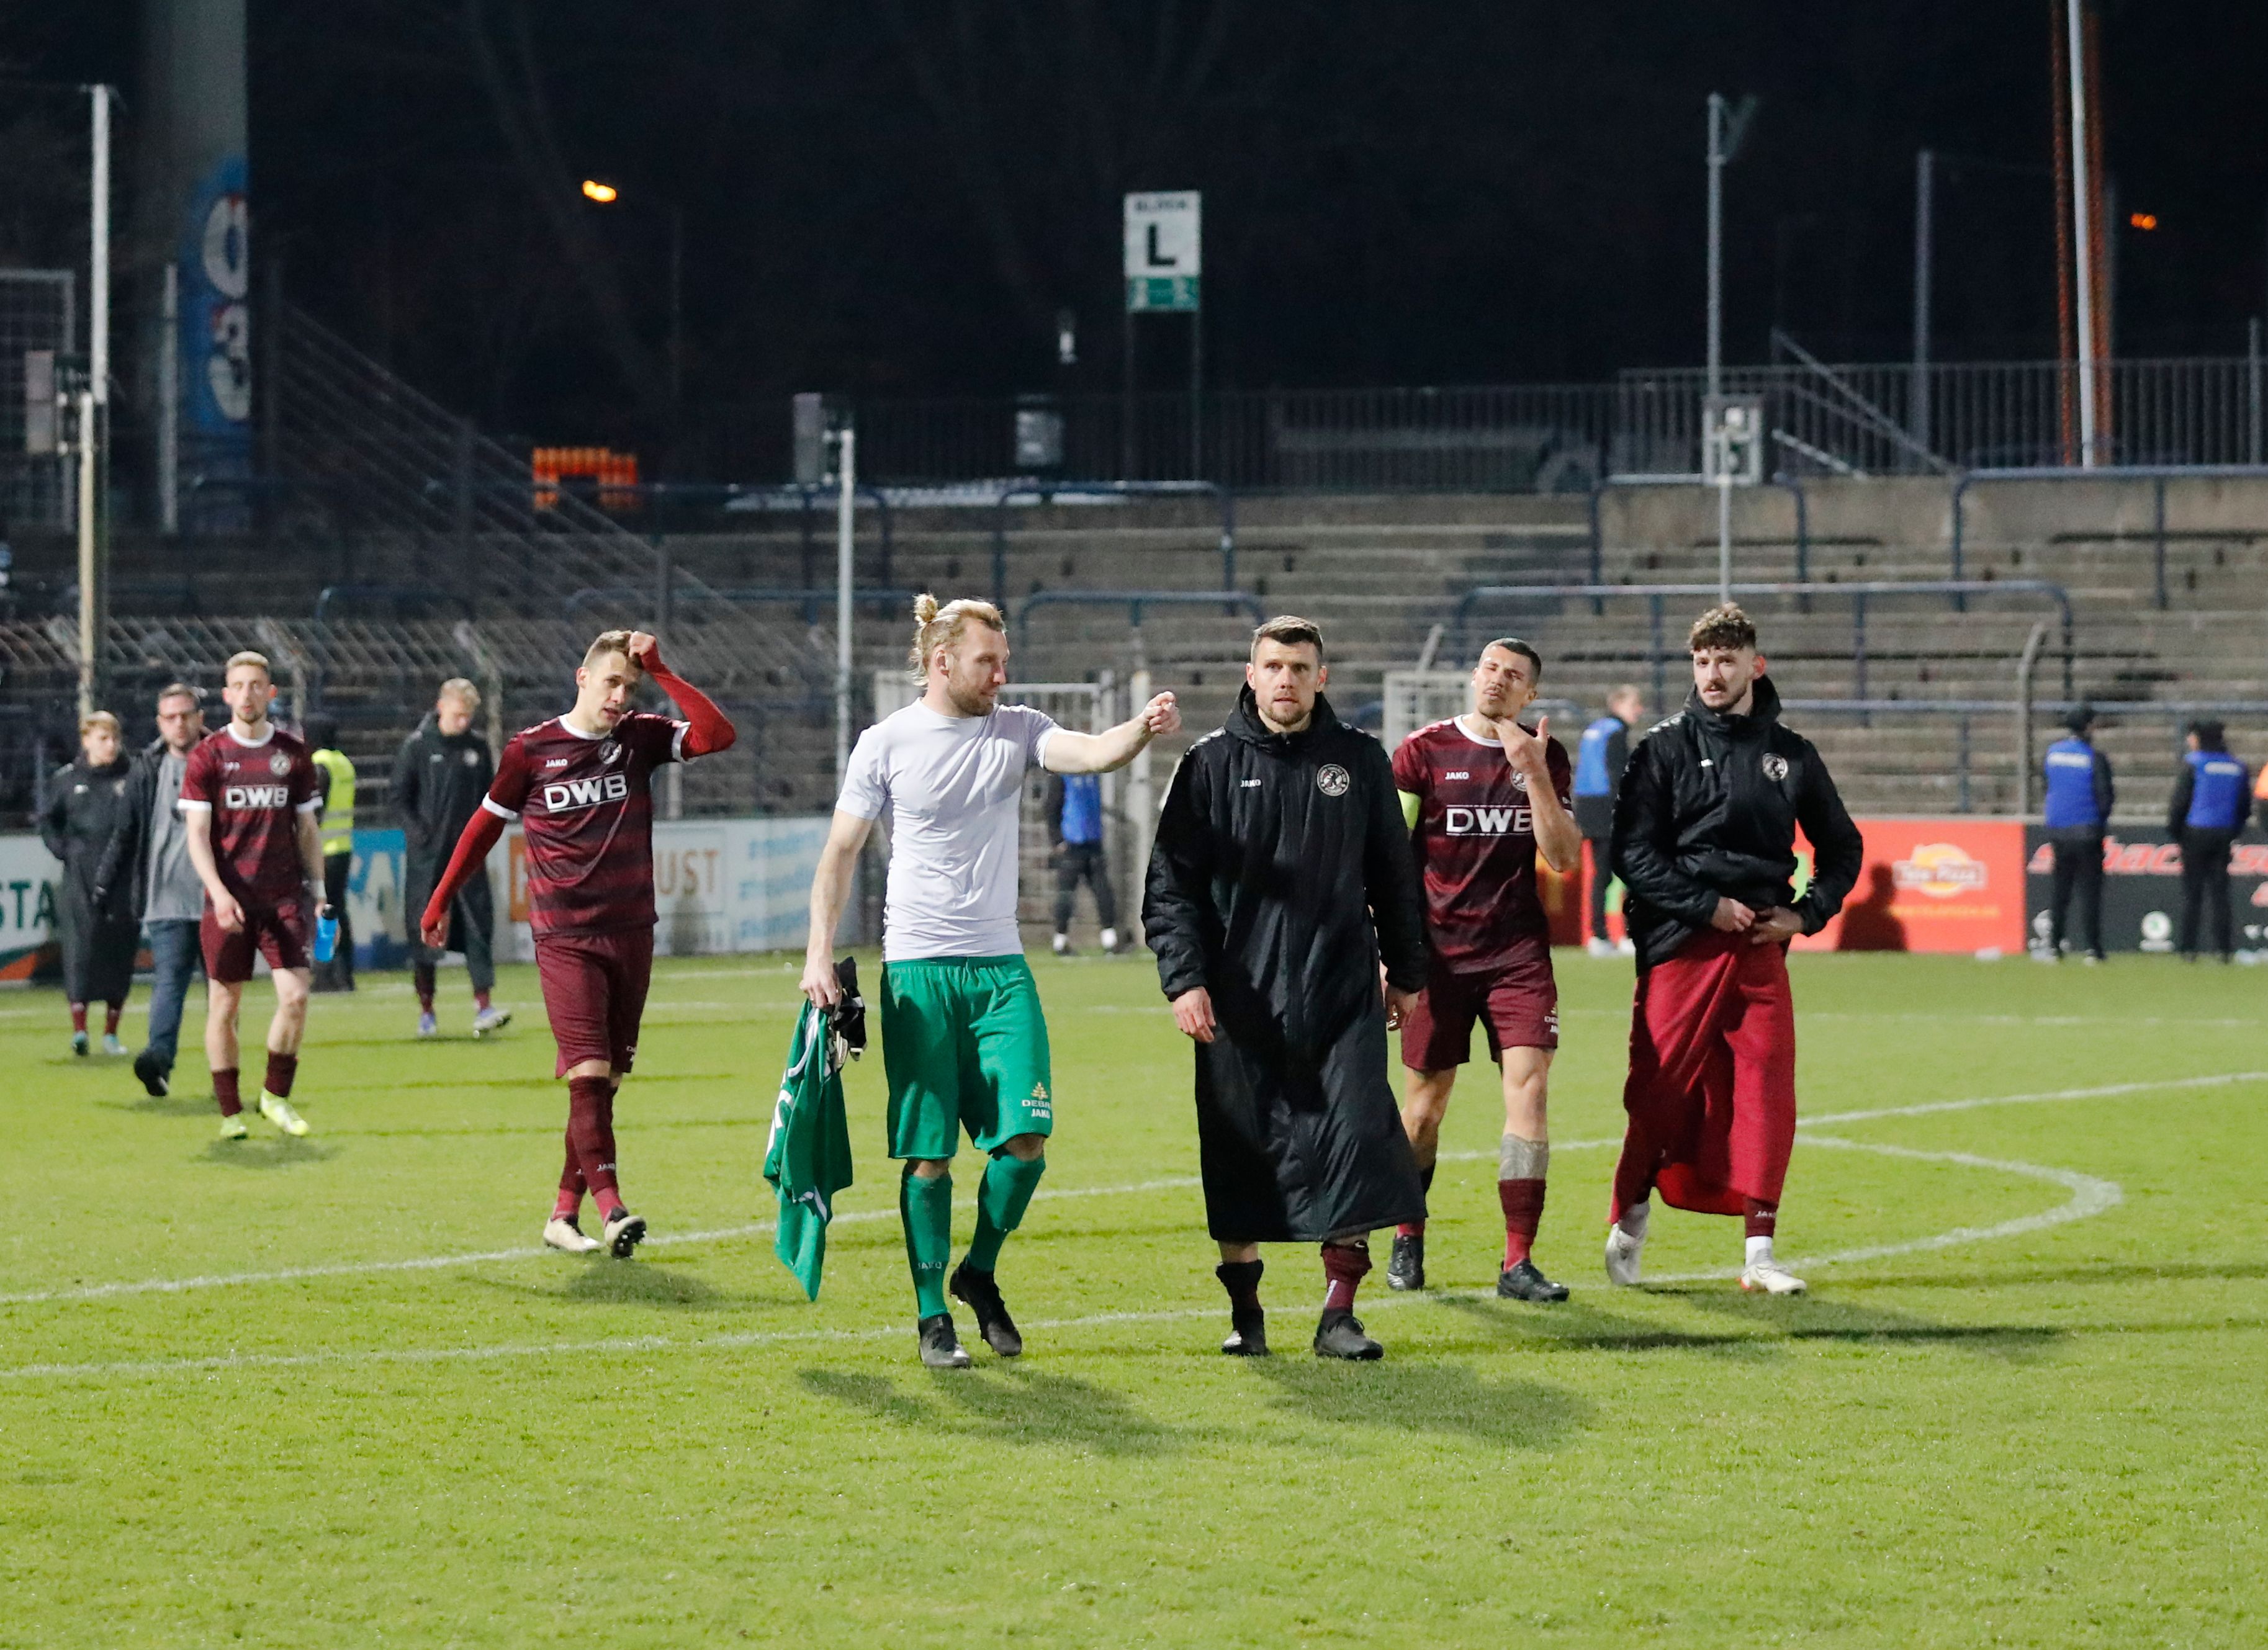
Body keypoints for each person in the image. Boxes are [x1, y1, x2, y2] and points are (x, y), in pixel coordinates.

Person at [802, 595, 1178, 1369]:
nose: (1001, 675)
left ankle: (980, 1271)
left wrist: (1139, 730)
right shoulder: (886, 742)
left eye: (1004, 661)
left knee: (1027, 1143)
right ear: (942, 661)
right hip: (917, 970)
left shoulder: (1021, 727)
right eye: (988, 662)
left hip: (1001, 969)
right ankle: (932, 1312)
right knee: (931, 1155)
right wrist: (818, 954)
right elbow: (840, 854)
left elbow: (1094, 752)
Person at [1145, 615, 1430, 1361]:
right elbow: (1171, 888)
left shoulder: (1360, 763)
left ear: (1321, 678)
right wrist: (1185, 981)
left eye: (1300, 668)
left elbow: (1394, 879)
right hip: (1241, 1001)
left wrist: (1405, 974)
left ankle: (1340, 1314)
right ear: (1251, 672)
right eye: (1273, 666)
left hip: (1341, 994)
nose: (1286, 680)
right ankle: (1248, 1315)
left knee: (1358, 1140)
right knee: (1241, 1151)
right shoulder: (1208, 765)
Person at [420, 630, 734, 1257]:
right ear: (581, 678)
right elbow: (483, 827)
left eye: (630, 685)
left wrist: (664, 671)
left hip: (632, 932)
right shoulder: (531, 750)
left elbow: (716, 735)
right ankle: (612, 1207)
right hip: (565, 936)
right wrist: (440, 897)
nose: (621, 695)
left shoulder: (640, 736)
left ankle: (563, 1214)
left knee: (606, 1082)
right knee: (588, 1073)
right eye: (612, 681)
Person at [1605, 604, 1863, 1296]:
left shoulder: (1793, 755)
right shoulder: (1662, 748)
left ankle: (1760, 1252)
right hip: (1679, 943)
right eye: (1701, 662)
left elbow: (1843, 847)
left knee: (1767, 1090)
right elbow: (1632, 852)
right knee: (1659, 1091)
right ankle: (1630, 1214)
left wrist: (1804, 915)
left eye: (1725, 660)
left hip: (1756, 948)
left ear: (1756, 664)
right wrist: (1703, 905)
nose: (1712, 674)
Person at [1387, 639, 1582, 1303]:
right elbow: (1387, 861)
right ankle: (1408, 1233)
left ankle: (1517, 1262)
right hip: (1438, 955)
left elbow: (1564, 858)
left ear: (1531, 695)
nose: (1499, 681)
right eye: (1491, 669)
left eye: (1515, 676)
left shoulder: (1546, 755)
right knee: (1422, 1110)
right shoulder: (1423, 752)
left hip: (1516, 955)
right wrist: (1391, 953)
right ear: (1475, 676)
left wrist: (1532, 774)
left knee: (1529, 1094)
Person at [179, 652, 330, 1141]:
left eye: (256, 684)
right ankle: (230, 1112)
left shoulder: (292, 752)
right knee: (224, 1005)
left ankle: (275, 1096)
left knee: (296, 998)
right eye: (238, 685)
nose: (247, 693)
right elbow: (197, 836)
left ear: (271, 692)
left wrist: (320, 889)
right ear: (226, 695)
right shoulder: (209, 756)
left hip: (284, 897)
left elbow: (307, 827)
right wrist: (218, 893)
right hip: (230, 900)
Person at [95, 683, 210, 1098]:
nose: (179, 723)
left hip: (220, 901)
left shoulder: (223, 759)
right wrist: (105, 882)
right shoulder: (148, 767)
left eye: (185, 715)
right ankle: (158, 1061)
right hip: (165, 898)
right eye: (170, 717)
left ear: (199, 717)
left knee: (224, 992)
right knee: (169, 982)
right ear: (160, 722)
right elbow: (126, 832)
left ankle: (225, 1072)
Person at [395, 678, 508, 1038]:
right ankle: (427, 1011)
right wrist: (421, 837)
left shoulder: (477, 748)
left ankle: (484, 1007)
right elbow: (400, 799)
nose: (464, 723)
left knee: (478, 927)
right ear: (441, 706)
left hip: (469, 859)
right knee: (424, 931)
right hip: (428, 861)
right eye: (459, 715)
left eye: (469, 717)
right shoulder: (416, 747)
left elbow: (492, 799)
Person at [42, 712, 140, 1057]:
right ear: (86, 741)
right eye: (103, 739)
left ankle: (111, 1034)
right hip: (81, 878)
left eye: (114, 738)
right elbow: (48, 822)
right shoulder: (67, 780)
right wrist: (65, 851)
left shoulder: (132, 777)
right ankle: (80, 1030)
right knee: (80, 950)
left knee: (120, 951)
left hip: (124, 878)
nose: (111, 745)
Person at [2167, 719, 2249, 963]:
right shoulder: (2237, 767)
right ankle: (2224, 950)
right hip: (2223, 834)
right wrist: (2233, 831)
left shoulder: (2194, 764)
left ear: (2199, 738)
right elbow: (2243, 807)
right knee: (2220, 893)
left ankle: (2188, 949)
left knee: (2193, 894)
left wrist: (2177, 833)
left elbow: (2180, 802)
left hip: (2196, 833)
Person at [1575, 685, 1644, 958]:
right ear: (1618, 705)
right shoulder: (1616, 732)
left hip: (1589, 811)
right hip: (1610, 812)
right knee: (1630, 875)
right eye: (1634, 704)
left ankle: (1598, 936)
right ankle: (1628, 935)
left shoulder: (1594, 730)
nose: (1638, 710)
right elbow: (1618, 775)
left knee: (1600, 876)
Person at [2040, 704, 2113, 963]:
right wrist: (2098, 822)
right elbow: (2105, 797)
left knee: (2061, 889)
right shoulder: (2094, 757)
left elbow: (2046, 786)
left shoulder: (2052, 753)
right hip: (2087, 830)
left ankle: (2053, 946)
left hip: (2059, 829)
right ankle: (2093, 948)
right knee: (2090, 891)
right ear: (2089, 726)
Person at [304, 716, 358, 992]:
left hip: (324, 850)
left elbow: (315, 811)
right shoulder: (344, 763)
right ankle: (345, 974)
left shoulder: (320, 763)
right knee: (338, 912)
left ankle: (325, 974)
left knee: (323, 913)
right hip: (343, 847)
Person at [1046, 771, 1119, 954]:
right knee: (1066, 894)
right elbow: (1051, 807)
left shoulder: (1092, 774)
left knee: (1103, 891)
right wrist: (1057, 840)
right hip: (1072, 843)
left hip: (1093, 842)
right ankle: (1060, 941)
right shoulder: (1062, 776)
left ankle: (1110, 940)